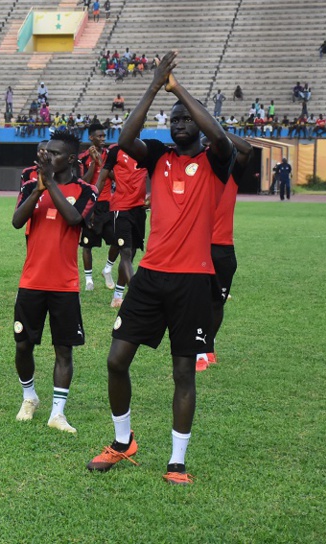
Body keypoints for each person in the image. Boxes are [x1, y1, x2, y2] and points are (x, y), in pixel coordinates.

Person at [86, 51, 233, 486]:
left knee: (183, 372)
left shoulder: (215, 161)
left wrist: (180, 91)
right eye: (174, 118)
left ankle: (176, 463)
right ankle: (122, 441)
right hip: (150, 276)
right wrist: (155, 86)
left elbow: (221, 137)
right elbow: (125, 138)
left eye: (187, 119)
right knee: (116, 360)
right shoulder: (158, 157)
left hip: (193, 280)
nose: (179, 123)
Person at [11, 131, 95, 433]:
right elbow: (17, 220)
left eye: (55, 153)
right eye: (45, 152)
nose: (47, 157)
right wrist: (38, 188)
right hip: (31, 281)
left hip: (64, 284)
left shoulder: (87, 190)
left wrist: (51, 185)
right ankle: (29, 397)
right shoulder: (32, 185)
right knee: (23, 345)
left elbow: (74, 218)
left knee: (64, 350)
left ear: (71, 158)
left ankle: (57, 413)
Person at [198, 131, 252, 372]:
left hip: (223, 249)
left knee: (217, 303)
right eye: (207, 146)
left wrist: (218, 130)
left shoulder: (232, 172)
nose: (212, 150)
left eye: (215, 145)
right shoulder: (197, 174)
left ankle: (208, 346)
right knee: (195, 302)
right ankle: (199, 350)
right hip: (197, 247)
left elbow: (247, 150)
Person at [98, 133, 148, 308]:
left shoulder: (146, 151)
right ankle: (138, 297)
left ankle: (118, 295)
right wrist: (91, 200)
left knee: (132, 253)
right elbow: (103, 175)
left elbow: (158, 176)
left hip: (139, 210)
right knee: (125, 253)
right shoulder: (116, 151)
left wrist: (153, 198)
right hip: (121, 209)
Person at [79, 122, 119, 291]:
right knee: (87, 244)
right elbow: (84, 182)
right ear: (91, 137)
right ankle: (89, 280)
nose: (103, 139)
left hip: (108, 204)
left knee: (118, 241)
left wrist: (103, 162)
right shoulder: (82, 157)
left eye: (104, 136)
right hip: (91, 204)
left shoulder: (111, 154)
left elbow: (116, 177)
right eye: (100, 136)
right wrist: (94, 164)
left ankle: (107, 269)